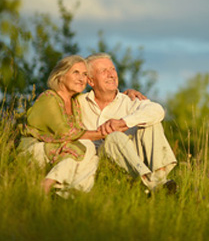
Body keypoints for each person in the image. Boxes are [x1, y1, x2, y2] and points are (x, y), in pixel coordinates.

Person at [78, 53, 177, 193]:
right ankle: (154, 186)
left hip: (133, 162)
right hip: (102, 163)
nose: (111, 74)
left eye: (112, 69)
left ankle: (158, 181)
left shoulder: (129, 101)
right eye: (103, 71)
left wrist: (123, 122)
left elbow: (157, 110)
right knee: (114, 137)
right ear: (91, 81)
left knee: (151, 122)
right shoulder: (79, 103)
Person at [18, 55, 104, 196]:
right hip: (34, 150)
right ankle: (47, 185)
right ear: (60, 76)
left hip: (59, 149)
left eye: (85, 75)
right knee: (87, 146)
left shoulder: (75, 103)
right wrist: (101, 134)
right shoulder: (49, 98)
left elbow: (101, 96)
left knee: (93, 159)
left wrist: (127, 93)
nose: (82, 78)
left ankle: (67, 193)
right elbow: (65, 133)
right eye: (76, 72)